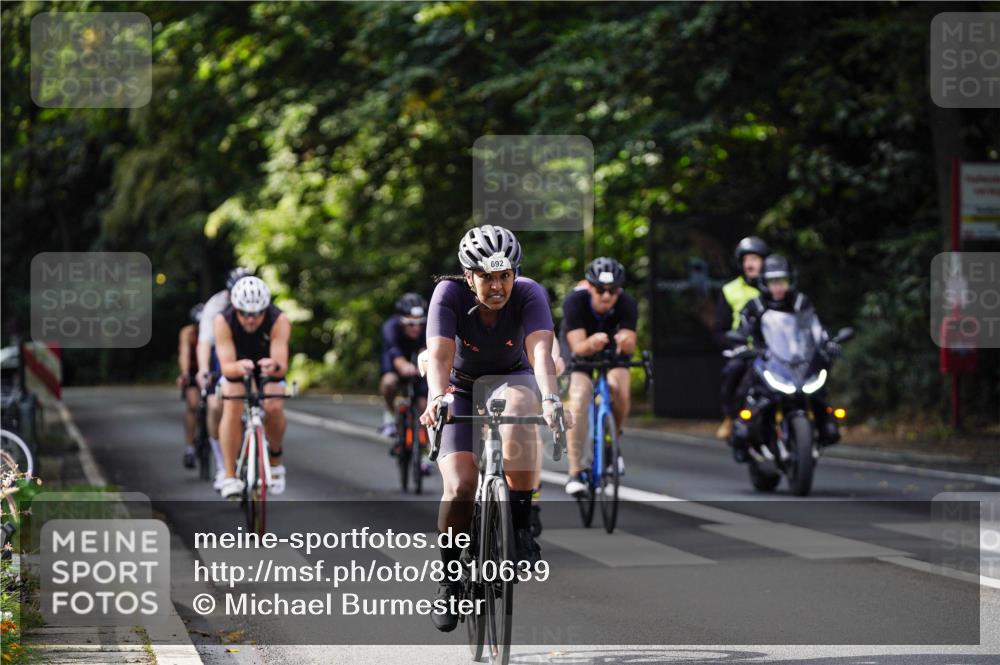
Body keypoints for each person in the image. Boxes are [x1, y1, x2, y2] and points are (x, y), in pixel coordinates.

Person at [419, 224, 571, 633]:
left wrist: (553, 399)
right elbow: (439, 354)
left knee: (524, 406)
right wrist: (436, 398)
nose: (498, 286)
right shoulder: (447, 295)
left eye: (505, 275)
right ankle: (450, 580)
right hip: (460, 388)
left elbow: (541, 351)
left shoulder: (529, 292)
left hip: (512, 377)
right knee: (461, 485)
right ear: (469, 276)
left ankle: (521, 527)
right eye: (487, 277)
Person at [732, 255, 841, 461]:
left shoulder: (801, 303)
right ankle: (740, 432)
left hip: (798, 362)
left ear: (791, 281)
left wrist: (828, 343)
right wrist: (742, 347)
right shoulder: (755, 305)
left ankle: (827, 424)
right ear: (764, 283)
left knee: (820, 391)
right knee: (743, 385)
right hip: (766, 360)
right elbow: (742, 331)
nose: (778, 287)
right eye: (773, 282)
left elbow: (815, 329)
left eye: (782, 281)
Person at [561, 257, 637, 497]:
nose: (606, 296)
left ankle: (612, 440)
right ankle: (575, 471)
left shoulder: (626, 302)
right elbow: (577, 347)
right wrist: (591, 343)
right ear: (589, 286)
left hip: (609, 350)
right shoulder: (575, 300)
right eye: (601, 290)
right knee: (580, 396)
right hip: (581, 346)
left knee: (619, 387)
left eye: (613, 291)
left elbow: (630, 344)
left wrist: (625, 342)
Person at [214, 277, 292, 500]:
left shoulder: (279, 320)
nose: (251, 319)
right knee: (233, 400)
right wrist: (237, 367)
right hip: (236, 366)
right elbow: (226, 366)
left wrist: (274, 366)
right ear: (236, 309)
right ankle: (229, 475)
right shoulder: (223, 320)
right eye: (245, 314)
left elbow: (281, 365)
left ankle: (275, 461)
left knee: (274, 402)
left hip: (267, 366)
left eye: (257, 314)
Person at [196, 267, 253, 489]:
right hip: (221, 352)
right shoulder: (216, 306)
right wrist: (203, 370)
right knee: (215, 404)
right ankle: (222, 464)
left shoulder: (258, 303)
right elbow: (204, 343)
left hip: (249, 352)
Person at [714, 236, 770, 441]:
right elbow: (720, 329)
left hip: (774, 349)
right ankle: (730, 416)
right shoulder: (730, 290)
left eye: (755, 258)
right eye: (746, 259)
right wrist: (735, 346)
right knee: (733, 372)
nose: (750, 264)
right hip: (744, 349)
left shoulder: (775, 287)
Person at [377, 293, 428, 445]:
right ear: (400, 320)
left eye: (420, 323)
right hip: (396, 360)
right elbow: (395, 353)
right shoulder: (390, 327)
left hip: (419, 361)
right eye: (410, 324)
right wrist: (404, 366)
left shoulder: (428, 326)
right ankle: (389, 414)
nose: (416, 328)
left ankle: (425, 449)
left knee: (424, 404)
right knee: (389, 382)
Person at [177, 303, 203, 469]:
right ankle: (190, 447)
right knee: (192, 406)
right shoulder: (187, 333)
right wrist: (185, 373)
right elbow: (184, 354)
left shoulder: (215, 329)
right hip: (193, 371)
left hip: (210, 371)